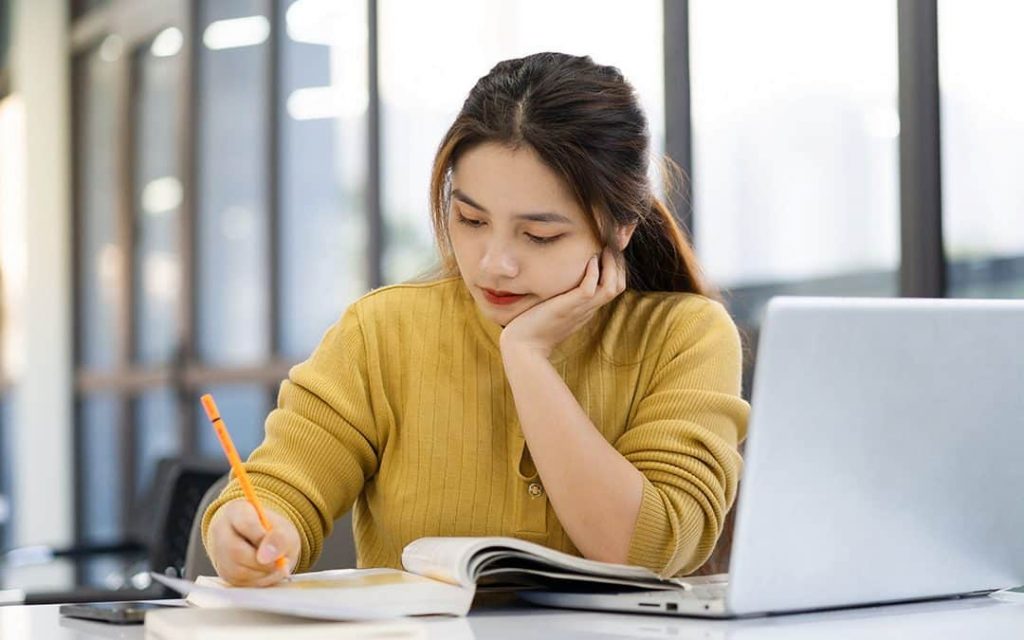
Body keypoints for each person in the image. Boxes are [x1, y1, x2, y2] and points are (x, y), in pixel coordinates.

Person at [203, 52, 749, 587]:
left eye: (540, 235)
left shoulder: (685, 336)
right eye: (470, 219)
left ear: (621, 229)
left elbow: (645, 549)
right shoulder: (382, 331)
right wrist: (255, 528)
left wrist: (527, 357)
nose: (494, 264)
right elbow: (285, 484)